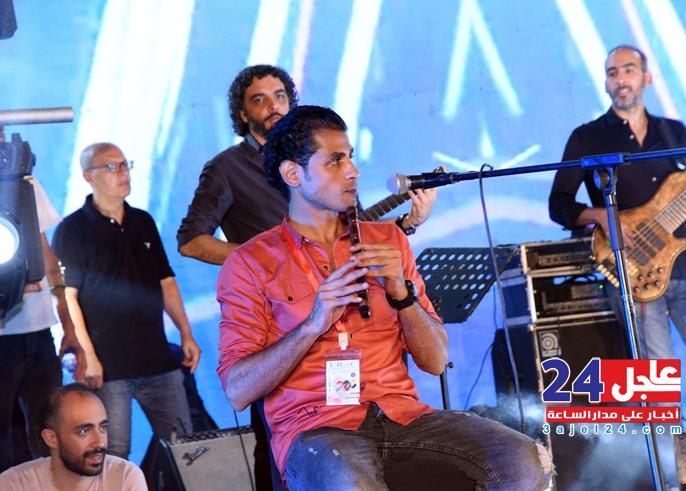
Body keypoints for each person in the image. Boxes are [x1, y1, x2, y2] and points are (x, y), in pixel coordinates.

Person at [217, 105, 551, 490]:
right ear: (293, 174)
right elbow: (238, 392)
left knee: (525, 459)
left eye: (351, 157)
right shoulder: (250, 262)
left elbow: (435, 361)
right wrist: (312, 325)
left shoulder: (388, 240)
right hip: (318, 429)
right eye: (335, 161)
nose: (353, 171)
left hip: (404, 416)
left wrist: (401, 294)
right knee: (348, 478)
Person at [548, 44, 686, 428]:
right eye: (612, 72)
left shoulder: (673, 132)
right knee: (658, 393)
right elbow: (559, 204)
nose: (620, 79)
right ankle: (669, 466)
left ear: (646, 78)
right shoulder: (587, 138)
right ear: (606, 83)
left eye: (628, 70)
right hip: (635, 275)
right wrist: (602, 216)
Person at [177, 64, 437, 265]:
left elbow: (355, 229)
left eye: (280, 96)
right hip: (276, 302)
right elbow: (191, 242)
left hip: (340, 292)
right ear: (243, 114)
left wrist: (408, 222)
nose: (273, 106)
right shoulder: (225, 167)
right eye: (259, 100)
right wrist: (260, 258)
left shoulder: (322, 157)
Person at [51, 142, 201, 459]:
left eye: (125, 164)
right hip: (109, 365)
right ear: (88, 176)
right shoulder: (72, 230)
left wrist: (186, 333)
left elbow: (166, 280)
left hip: (157, 357)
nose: (122, 173)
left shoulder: (142, 221)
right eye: (111, 166)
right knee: (114, 452)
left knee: (185, 449)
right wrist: (88, 355)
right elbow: (69, 297)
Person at [0, 125, 87, 472]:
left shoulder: (24, 182)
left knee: (51, 428)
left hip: (39, 333)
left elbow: (47, 255)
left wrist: (68, 325)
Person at [0, 383, 146, 490]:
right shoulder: (13, 484)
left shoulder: (125, 476)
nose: (99, 442)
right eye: (84, 431)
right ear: (51, 438)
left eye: (103, 428)